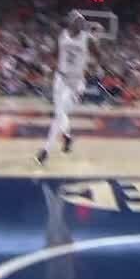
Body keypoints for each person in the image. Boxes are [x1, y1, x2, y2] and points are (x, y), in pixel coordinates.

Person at [37, 10, 101, 166]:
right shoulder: (62, 35)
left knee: (59, 115)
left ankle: (46, 150)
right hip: (60, 78)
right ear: (71, 22)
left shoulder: (88, 39)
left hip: (76, 82)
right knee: (60, 113)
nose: (80, 24)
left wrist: (93, 67)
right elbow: (56, 54)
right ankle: (67, 137)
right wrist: (50, 69)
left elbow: (98, 55)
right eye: (77, 21)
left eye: (82, 21)